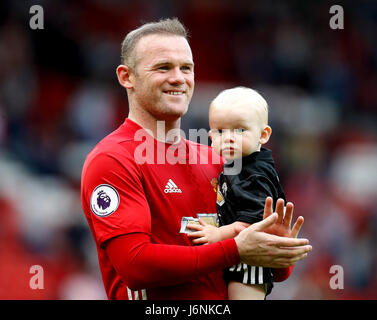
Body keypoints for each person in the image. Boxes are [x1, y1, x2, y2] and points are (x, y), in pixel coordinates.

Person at [80, 18, 311, 300]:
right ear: (127, 77)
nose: (179, 78)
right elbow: (135, 266)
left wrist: (274, 247)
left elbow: (263, 269)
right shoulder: (113, 159)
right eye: (163, 67)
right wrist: (237, 247)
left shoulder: (219, 158)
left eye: (186, 68)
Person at [187, 87, 299, 299]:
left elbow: (254, 223)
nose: (229, 138)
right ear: (211, 136)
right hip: (237, 256)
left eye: (239, 131)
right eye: (220, 132)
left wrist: (218, 234)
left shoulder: (253, 173)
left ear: (263, 134)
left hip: (250, 263)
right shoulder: (238, 165)